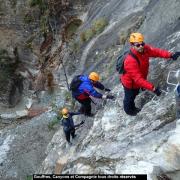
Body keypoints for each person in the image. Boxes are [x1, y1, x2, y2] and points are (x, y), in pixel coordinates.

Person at [120, 32, 180, 116]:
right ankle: (130, 112)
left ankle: (134, 106)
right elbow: (138, 79)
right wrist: (153, 88)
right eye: (138, 45)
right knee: (130, 97)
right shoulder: (130, 60)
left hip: (140, 79)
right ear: (132, 45)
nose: (141, 46)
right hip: (130, 84)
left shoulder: (145, 49)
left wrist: (170, 55)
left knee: (136, 92)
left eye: (142, 44)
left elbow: (157, 52)